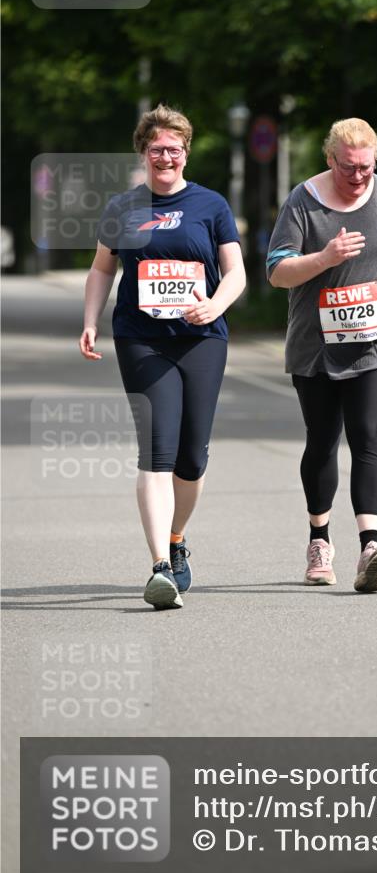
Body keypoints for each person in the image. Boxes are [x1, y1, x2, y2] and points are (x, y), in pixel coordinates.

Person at [79, 104, 246, 610]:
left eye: (174, 148)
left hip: (202, 339)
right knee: (157, 450)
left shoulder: (211, 205)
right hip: (141, 338)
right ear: (144, 152)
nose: (165, 156)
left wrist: (214, 304)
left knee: (192, 458)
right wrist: (89, 320)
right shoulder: (124, 208)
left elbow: (235, 272)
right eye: (157, 149)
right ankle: (158, 569)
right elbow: (102, 269)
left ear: (185, 152)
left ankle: (176, 540)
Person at [267, 118, 377, 593]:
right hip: (318, 343)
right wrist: (326, 257)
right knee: (322, 440)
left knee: (368, 437)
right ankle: (319, 540)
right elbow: (277, 272)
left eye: (366, 167)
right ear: (330, 159)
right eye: (349, 167)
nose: (359, 177)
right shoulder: (304, 201)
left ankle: (370, 546)